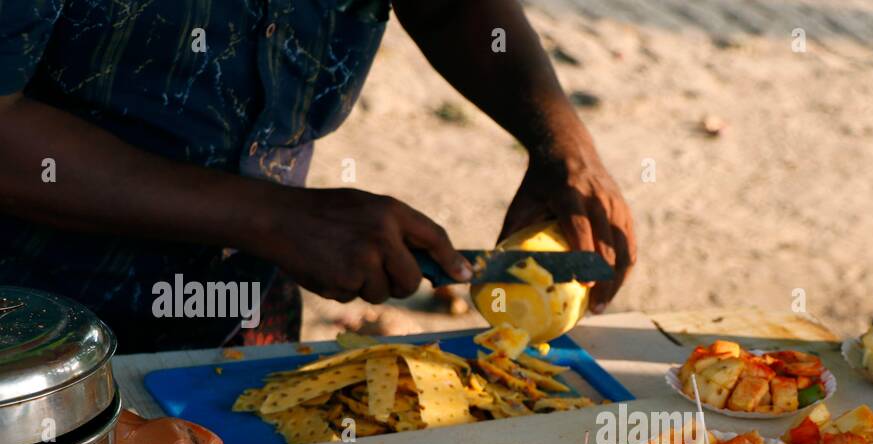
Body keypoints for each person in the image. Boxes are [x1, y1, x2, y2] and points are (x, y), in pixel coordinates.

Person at [0, 0, 635, 353]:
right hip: (31, 325)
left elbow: (447, 8)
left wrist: (561, 145)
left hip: (247, 310)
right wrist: (271, 217)